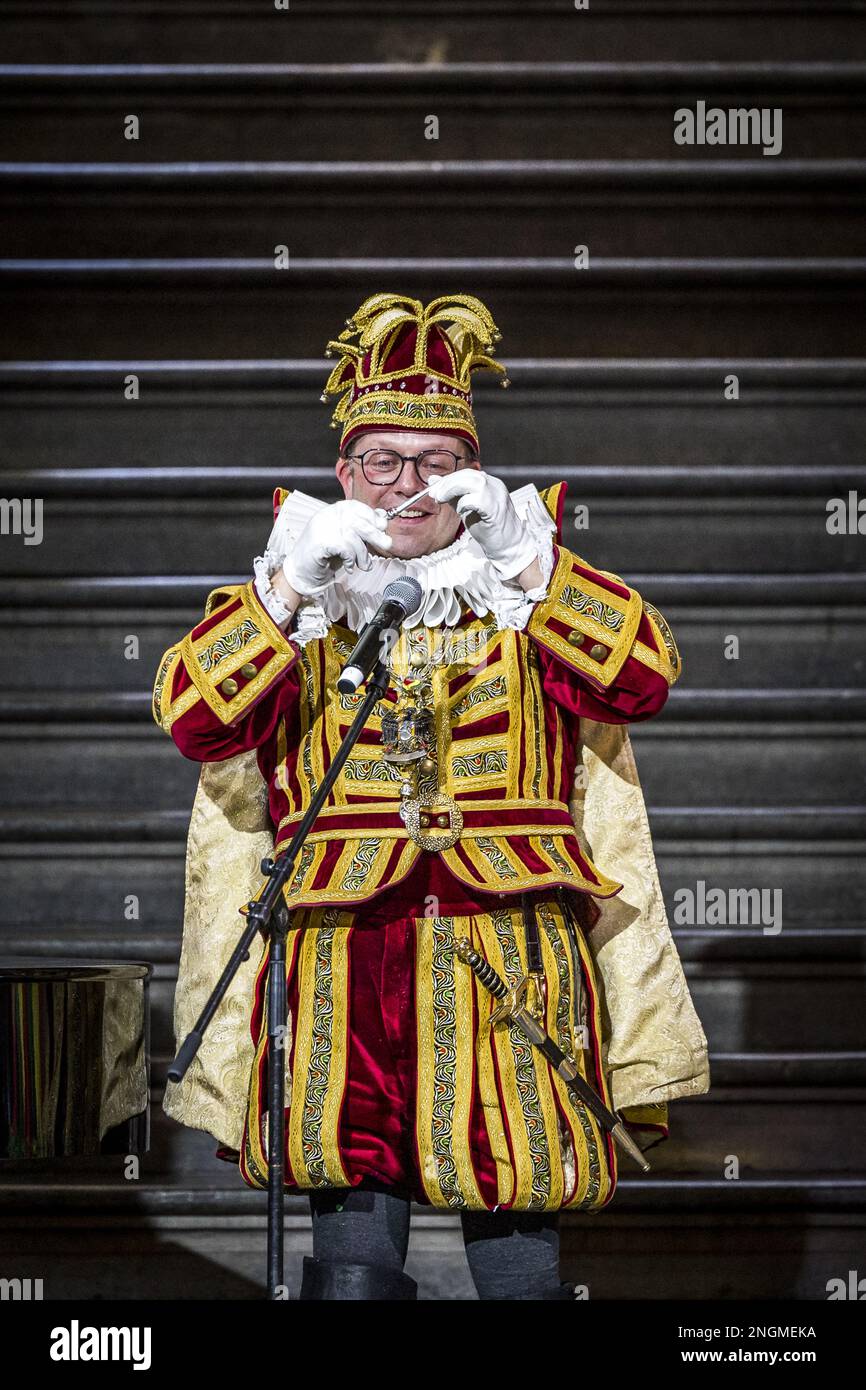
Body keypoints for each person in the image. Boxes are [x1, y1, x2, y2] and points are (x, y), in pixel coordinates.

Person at [153, 292, 710, 1300]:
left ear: (474, 474)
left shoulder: (521, 588)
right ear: (343, 475)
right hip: (341, 956)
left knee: (520, 1222)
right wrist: (284, 600)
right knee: (351, 1239)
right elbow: (194, 718)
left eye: (436, 463)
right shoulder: (303, 595)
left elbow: (645, 679)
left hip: (511, 950)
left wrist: (532, 568)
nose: (409, 486)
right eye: (383, 462)